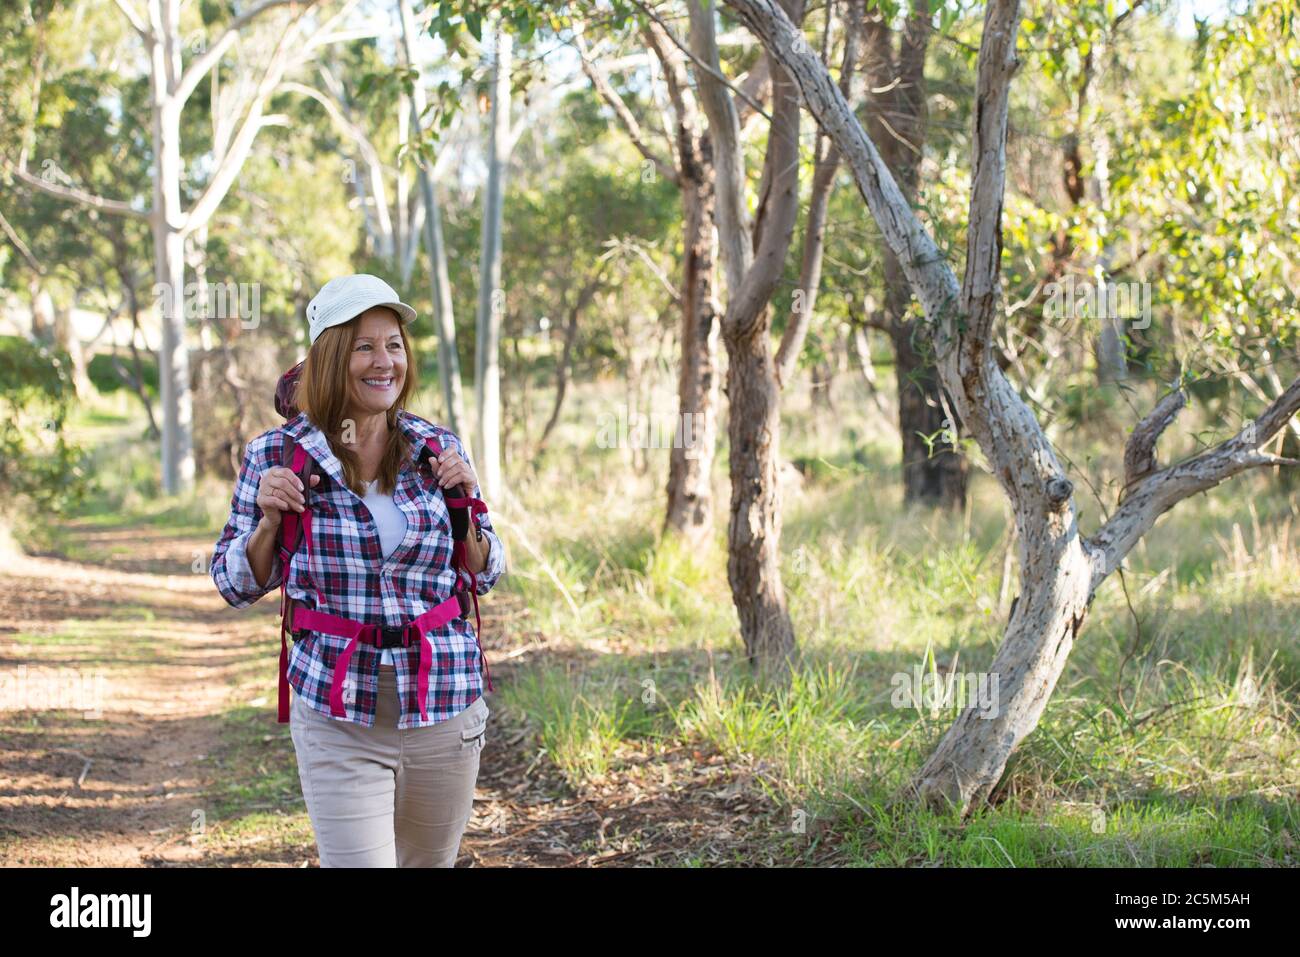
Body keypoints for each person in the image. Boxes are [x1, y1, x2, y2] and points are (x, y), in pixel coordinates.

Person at [210, 274, 506, 867]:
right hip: (338, 712)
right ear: (328, 357)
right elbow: (235, 583)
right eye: (363, 345)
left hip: (443, 704)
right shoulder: (276, 454)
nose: (384, 361)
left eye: (393, 345)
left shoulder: (435, 447)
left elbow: (484, 573)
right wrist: (268, 521)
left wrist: (468, 505)